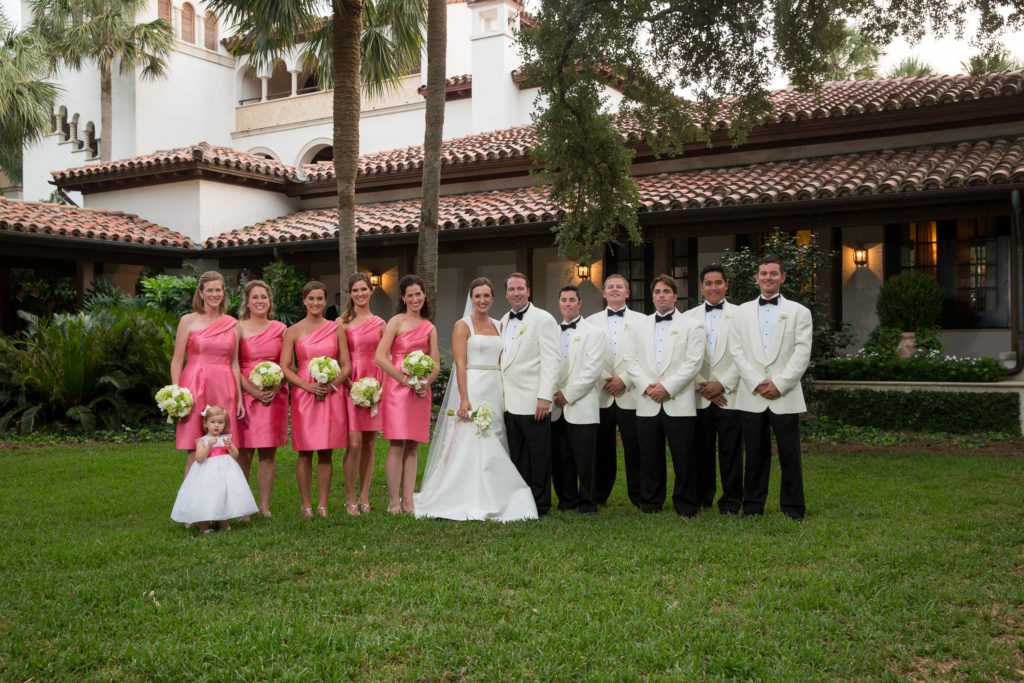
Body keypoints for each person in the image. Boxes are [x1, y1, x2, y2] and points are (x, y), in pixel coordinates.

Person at [415, 278, 538, 521]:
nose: (482, 300)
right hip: (473, 384)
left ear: (493, 298)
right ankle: (464, 492)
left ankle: (495, 488)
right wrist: (464, 398)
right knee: (471, 438)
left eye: (486, 296)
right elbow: (460, 364)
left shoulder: (499, 324)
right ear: (471, 299)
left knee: (495, 434)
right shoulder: (463, 325)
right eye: (477, 296)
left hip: (495, 386)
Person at [729, 255, 812, 520]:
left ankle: (793, 507)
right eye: (763, 273)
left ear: (782, 277)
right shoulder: (740, 312)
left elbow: (802, 352)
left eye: (773, 273)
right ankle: (753, 506)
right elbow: (737, 350)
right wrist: (755, 382)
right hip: (752, 394)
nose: (768, 278)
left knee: (790, 454)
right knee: (754, 454)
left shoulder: (800, 312)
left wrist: (779, 384)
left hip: (784, 394)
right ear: (756, 278)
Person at [623, 274, 704, 516]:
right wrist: (648, 386)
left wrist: (667, 387)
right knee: (649, 457)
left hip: (678, 401)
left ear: (675, 296)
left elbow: (693, 363)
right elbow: (631, 361)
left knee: (684, 457)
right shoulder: (639, 326)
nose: (661, 295)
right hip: (647, 402)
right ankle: (651, 502)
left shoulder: (692, 326)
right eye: (657, 291)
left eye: (666, 291)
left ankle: (686, 504)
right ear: (652, 296)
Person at [281, 281, 351, 518]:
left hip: (330, 394)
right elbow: (286, 367)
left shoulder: (336, 329)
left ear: (325, 301)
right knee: (304, 451)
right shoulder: (292, 331)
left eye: (320, 299)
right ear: (304, 301)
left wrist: (332, 384)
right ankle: (305, 505)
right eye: (311, 298)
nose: (315, 303)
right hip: (304, 394)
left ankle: (322, 504)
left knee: (326, 451)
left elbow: (346, 365)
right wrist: (306, 385)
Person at [375, 274, 439, 514]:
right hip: (397, 389)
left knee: (413, 446)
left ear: (424, 296)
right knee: (397, 444)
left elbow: (435, 364)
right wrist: (403, 379)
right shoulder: (396, 322)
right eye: (410, 295)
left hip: (420, 391)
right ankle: (393, 500)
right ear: (403, 297)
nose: (415, 299)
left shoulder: (429, 327)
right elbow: (380, 357)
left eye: (418, 294)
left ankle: (409, 500)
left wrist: (425, 382)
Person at [170, 271, 244, 477]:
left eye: (218, 290)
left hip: (224, 387)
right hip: (194, 385)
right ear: (200, 293)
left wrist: (238, 398)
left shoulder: (233, 324)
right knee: (194, 449)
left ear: (224, 292)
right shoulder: (188, 321)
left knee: (224, 449)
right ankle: (192, 505)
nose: (214, 294)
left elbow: (235, 363)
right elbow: (177, 360)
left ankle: (223, 504)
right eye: (209, 290)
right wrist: (176, 394)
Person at [498, 272, 560, 516]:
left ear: (529, 291)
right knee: (517, 456)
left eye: (520, 288)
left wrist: (545, 396)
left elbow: (552, 360)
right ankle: (522, 501)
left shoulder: (543, 319)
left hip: (534, 401)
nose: (516, 293)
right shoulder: (503, 320)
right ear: (506, 293)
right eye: (512, 289)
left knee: (539, 455)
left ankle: (541, 504)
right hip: (508, 403)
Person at [683, 264, 743, 514]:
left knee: (731, 451)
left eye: (718, 282)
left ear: (726, 285)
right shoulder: (687, 318)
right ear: (701, 287)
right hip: (698, 394)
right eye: (708, 283)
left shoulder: (741, 315)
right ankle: (702, 496)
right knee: (699, 449)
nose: (713, 287)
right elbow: (682, 357)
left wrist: (723, 384)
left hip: (730, 393)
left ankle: (731, 501)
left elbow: (746, 356)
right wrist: (702, 385)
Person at [586, 273, 645, 508]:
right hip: (601, 394)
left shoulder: (643, 321)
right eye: (610, 287)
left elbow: (644, 356)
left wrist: (625, 380)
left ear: (627, 292)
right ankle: (599, 495)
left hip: (630, 394)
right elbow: (588, 356)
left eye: (619, 286)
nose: (614, 290)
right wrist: (605, 379)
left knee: (635, 447)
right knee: (601, 449)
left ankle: (639, 495)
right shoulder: (590, 321)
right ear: (604, 293)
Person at [550, 285, 605, 514]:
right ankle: (566, 499)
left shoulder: (594, 333)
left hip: (581, 403)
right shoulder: (551, 331)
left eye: (572, 300)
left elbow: (592, 371)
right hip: (554, 404)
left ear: (580, 303)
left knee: (585, 458)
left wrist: (568, 395)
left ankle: (588, 502)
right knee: (560, 456)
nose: (568, 304)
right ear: (559, 303)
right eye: (564, 300)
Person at [235, 280, 287, 518]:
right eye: (255, 297)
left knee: (268, 452)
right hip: (246, 393)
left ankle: (264, 506)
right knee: (244, 452)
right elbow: (232, 364)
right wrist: (252, 391)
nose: (260, 301)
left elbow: (288, 366)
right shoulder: (237, 327)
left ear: (270, 301)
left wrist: (276, 387)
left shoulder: (280, 329)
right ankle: (243, 506)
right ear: (247, 301)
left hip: (273, 396)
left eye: (263, 297)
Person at [170, 405, 258, 533]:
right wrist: (208, 446)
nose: (217, 425)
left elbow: (235, 455)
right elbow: (199, 458)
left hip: (224, 474)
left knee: (222, 496)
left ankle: (223, 524)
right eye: (213, 422)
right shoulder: (202, 441)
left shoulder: (226, 439)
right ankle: (204, 526)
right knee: (207, 496)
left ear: (224, 424)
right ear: (206, 424)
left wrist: (230, 447)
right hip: (207, 475)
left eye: (220, 422)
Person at [340, 273, 385, 516]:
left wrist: (381, 387)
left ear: (371, 291)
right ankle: (349, 497)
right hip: (351, 382)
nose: (360, 294)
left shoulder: (380, 323)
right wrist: (350, 385)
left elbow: (386, 356)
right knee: (354, 443)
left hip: (374, 383)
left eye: (364, 289)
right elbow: (338, 357)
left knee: (369, 443)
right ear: (351, 293)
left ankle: (364, 496)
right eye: (355, 290)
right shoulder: (342, 322)